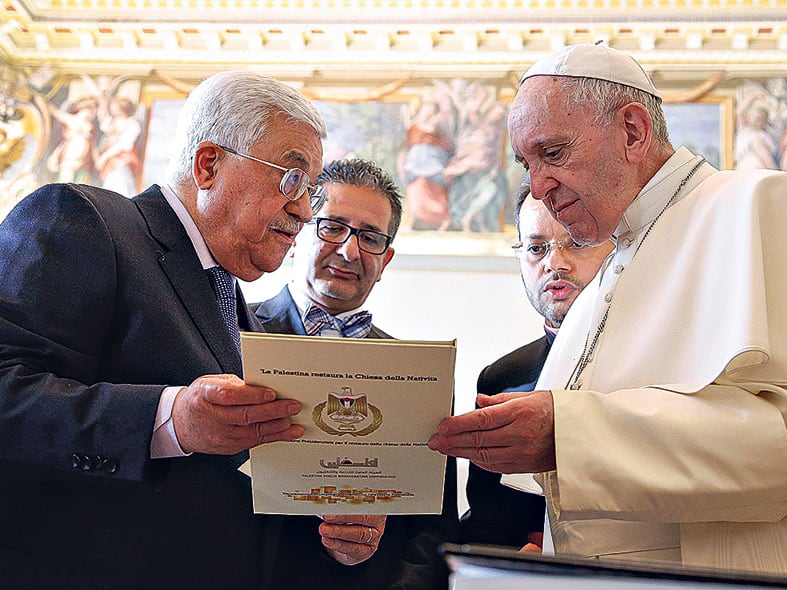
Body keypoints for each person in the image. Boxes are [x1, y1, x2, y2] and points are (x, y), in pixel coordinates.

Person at [0, 70, 388, 589]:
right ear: (209, 164)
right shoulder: (83, 219)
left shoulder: (235, 304)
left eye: (310, 190)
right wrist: (168, 420)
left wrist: (337, 532)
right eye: (292, 179)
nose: (302, 210)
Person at [429, 43, 787, 575]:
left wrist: (566, 434)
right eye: (527, 164)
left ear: (634, 132)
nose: (538, 187)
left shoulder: (754, 203)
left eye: (552, 154)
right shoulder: (608, 268)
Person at [254, 158, 458, 589]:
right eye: (332, 227)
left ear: (385, 260)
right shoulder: (230, 336)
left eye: (370, 237)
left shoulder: (422, 377)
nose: (349, 251)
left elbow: (430, 536)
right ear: (296, 235)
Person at [459, 181, 613, 551]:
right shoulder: (501, 378)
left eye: (575, 242)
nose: (554, 263)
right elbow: (486, 521)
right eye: (536, 247)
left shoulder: (653, 363)